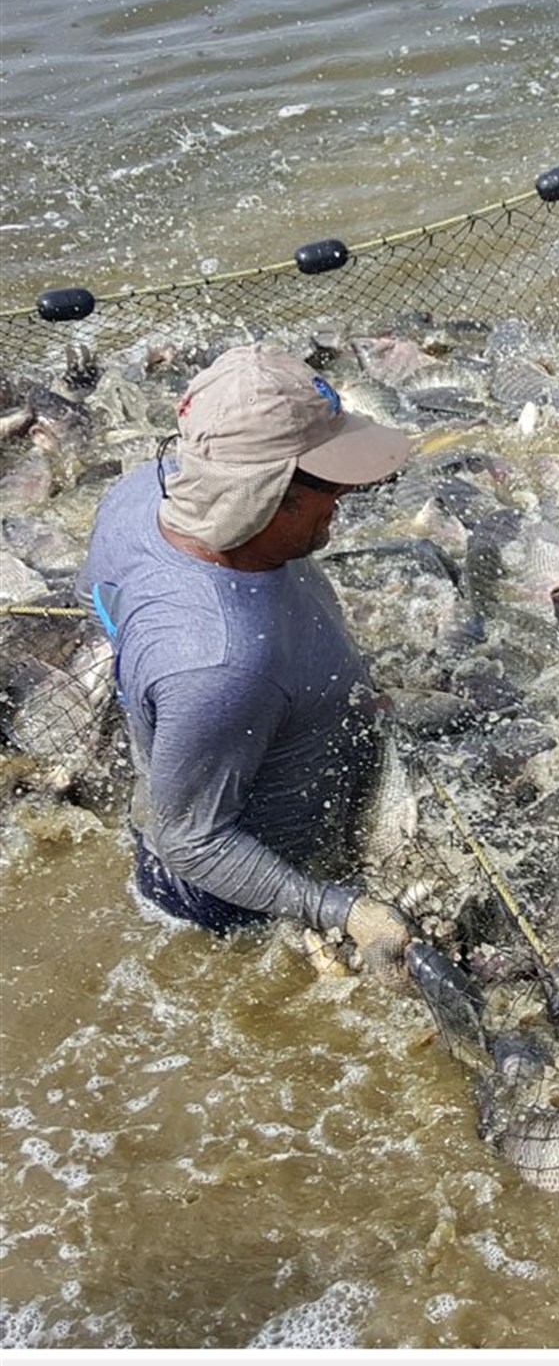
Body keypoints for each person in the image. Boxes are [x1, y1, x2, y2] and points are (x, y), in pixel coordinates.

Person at [79, 344, 417, 980]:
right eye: (328, 481)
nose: (346, 490)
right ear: (264, 497)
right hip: (234, 906)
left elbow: (100, 602)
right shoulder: (220, 661)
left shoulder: (140, 495)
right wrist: (338, 909)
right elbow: (191, 840)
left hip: (215, 753)